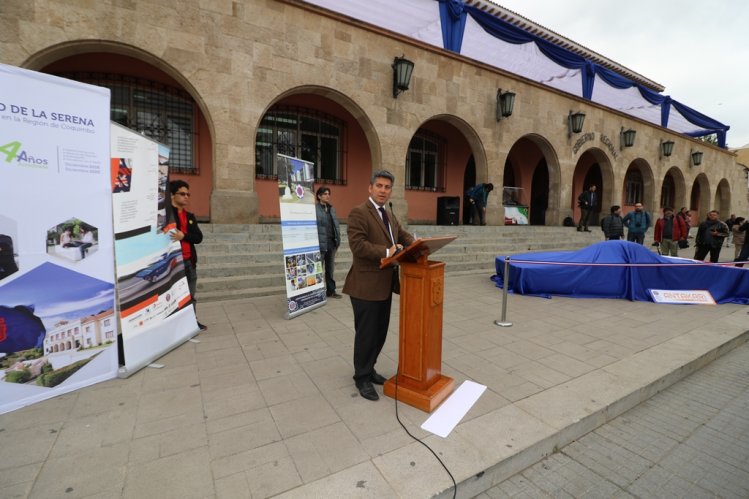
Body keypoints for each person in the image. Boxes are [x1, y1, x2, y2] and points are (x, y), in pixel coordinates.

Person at [342, 170, 414, 401]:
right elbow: (358, 246)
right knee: (366, 334)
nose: (383, 190)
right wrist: (387, 251)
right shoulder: (359, 213)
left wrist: (417, 245)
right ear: (370, 188)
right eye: (380, 186)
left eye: (387, 187)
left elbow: (402, 235)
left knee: (380, 333)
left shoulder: (389, 214)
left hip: (384, 285)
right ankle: (361, 378)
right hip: (365, 286)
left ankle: (369, 369)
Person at [169, 180, 206, 331]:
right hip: (173, 263)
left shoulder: (190, 216)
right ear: (172, 195)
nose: (186, 197)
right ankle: (175, 327)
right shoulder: (167, 216)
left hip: (189, 262)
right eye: (182, 194)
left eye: (188, 194)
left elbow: (198, 237)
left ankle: (192, 323)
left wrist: (183, 235)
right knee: (173, 297)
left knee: (191, 295)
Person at [314, 186, 341, 298]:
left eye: (328, 194)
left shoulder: (331, 209)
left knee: (330, 270)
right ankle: (317, 293)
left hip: (331, 243)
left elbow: (336, 225)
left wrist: (337, 240)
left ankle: (331, 291)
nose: (327, 196)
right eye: (325, 194)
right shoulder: (315, 209)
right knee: (318, 270)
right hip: (320, 244)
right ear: (319, 196)